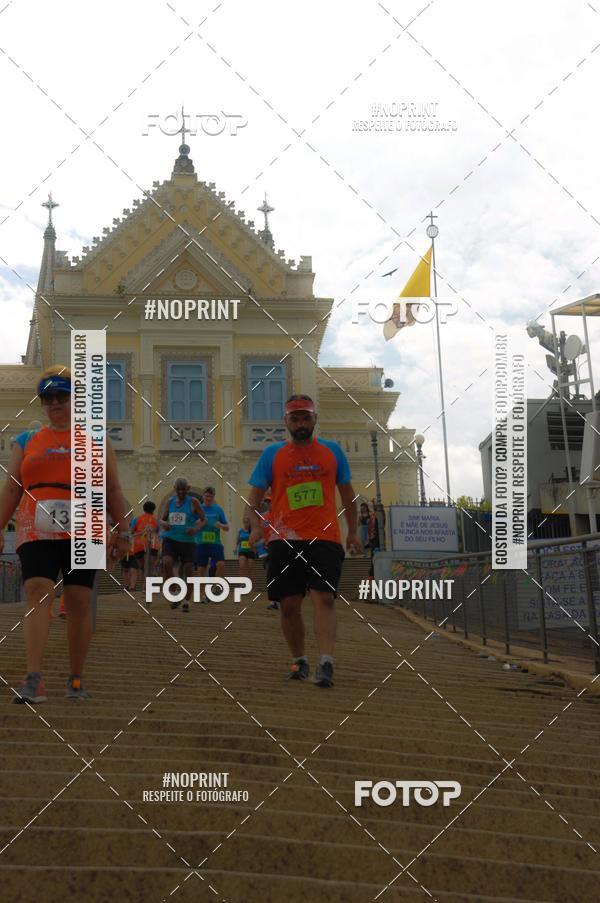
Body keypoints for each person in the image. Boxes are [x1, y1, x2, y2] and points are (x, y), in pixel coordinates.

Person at [0, 365, 130, 703]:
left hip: (85, 524)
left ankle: (75, 676)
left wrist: (124, 530)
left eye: (62, 396)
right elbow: (12, 489)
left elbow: (113, 489)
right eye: (48, 398)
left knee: (78, 600)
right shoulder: (27, 440)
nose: (55, 403)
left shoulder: (97, 440)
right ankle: (34, 678)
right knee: (37, 592)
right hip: (36, 525)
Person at [247, 394, 360, 688]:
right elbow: (254, 499)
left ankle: (325, 662)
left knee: (323, 597)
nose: (300, 423)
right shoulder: (272, 454)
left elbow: (348, 495)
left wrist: (354, 531)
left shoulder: (333, 452)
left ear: (314, 419)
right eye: (294, 418)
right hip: (284, 539)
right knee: (289, 604)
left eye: (305, 417)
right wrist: (256, 527)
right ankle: (300, 660)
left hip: (325, 537)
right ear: (286, 422)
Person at [159, 478, 206, 612]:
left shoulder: (194, 502)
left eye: (183, 490)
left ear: (188, 489)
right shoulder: (170, 502)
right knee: (167, 563)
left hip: (188, 541)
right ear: (175, 489)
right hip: (171, 539)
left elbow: (204, 520)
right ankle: (175, 593)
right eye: (178, 490)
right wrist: (164, 524)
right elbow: (162, 519)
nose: (180, 492)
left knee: (189, 569)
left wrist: (195, 529)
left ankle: (186, 600)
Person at [195, 486, 229, 603]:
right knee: (201, 569)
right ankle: (203, 594)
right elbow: (192, 526)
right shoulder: (198, 509)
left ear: (214, 497)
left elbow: (227, 527)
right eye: (207, 496)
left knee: (221, 564)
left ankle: (215, 587)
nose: (209, 498)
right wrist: (199, 523)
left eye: (211, 496)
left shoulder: (218, 509)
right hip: (201, 543)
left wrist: (220, 525)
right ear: (203, 496)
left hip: (215, 543)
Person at [131, 501, 159, 586]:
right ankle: (147, 586)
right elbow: (158, 532)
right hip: (152, 544)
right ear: (153, 510)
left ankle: (144, 586)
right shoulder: (156, 520)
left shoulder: (136, 519)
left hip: (139, 545)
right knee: (149, 566)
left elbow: (131, 531)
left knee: (142, 567)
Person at [236, 515, 255, 582]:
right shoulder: (240, 531)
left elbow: (256, 540)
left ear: (249, 522)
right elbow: (237, 541)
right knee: (241, 566)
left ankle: (250, 584)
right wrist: (235, 548)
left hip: (250, 551)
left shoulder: (252, 531)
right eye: (245, 522)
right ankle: (242, 583)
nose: (246, 523)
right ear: (243, 522)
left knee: (250, 568)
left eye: (247, 522)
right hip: (242, 551)